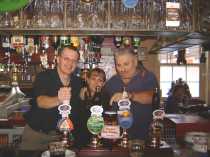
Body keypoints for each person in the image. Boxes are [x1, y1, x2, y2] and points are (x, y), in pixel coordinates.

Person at [19, 46, 82, 151]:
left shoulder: (77, 82)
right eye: (66, 59)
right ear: (57, 59)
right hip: (37, 136)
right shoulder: (44, 77)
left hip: (61, 138)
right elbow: (41, 101)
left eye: (74, 61)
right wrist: (59, 99)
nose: (70, 63)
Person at [103, 48, 159, 140]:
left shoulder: (147, 77)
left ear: (135, 62)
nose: (122, 69)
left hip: (143, 137)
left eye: (126, 64)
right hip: (118, 138)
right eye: (118, 65)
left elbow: (152, 97)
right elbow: (103, 105)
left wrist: (129, 95)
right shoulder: (112, 82)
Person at [79, 68, 106, 146]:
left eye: (100, 80)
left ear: (103, 83)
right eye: (93, 79)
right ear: (87, 80)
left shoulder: (105, 98)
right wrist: (81, 100)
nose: (96, 82)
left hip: (100, 139)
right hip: (82, 139)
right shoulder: (81, 94)